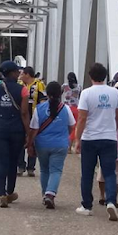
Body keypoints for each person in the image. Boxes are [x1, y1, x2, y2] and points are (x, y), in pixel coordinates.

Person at [75, 63, 118, 221]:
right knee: (109, 172)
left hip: (90, 138)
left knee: (87, 174)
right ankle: (111, 202)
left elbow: (82, 118)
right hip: (109, 137)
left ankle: (87, 206)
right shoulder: (115, 92)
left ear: (90, 76)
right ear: (106, 76)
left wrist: (77, 138)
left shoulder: (86, 93)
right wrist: (112, 130)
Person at [28, 81, 75, 209]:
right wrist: (65, 135)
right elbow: (71, 126)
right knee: (56, 170)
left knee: (44, 169)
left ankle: (45, 194)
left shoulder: (39, 109)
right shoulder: (66, 108)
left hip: (42, 144)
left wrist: (30, 144)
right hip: (60, 144)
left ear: (46, 94)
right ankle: (50, 194)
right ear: (60, 94)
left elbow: (34, 129)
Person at [0, 60, 30, 208]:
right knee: (13, 162)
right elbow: (24, 112)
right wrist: (28, 132)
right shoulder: (23, 90)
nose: (19, 73)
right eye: (17, 71)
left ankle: (1, 194)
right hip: (16, 129)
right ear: (12, 72)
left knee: (2, 161)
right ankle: (9, 191)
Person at [97, 86, 118, 208]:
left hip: (107, 142)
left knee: (103, 170)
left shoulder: (108, 109)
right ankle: (113, 198)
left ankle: (102, 196)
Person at [18, 66, 46, 177]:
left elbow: (43, 100)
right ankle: (20, 165)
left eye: (22, 74)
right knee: (20, 141)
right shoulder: (20, 85)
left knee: (33, 141)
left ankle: (31, 167)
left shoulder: (39, 84)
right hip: (21, 117)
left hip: (34, 117)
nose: (20, 76)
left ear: (27, 74)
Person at [62, 72, 82, 154]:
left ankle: (66, 145)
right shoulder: (79, 87)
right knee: (75, 127)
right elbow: (80, 97)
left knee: (66, 127)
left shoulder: (64, 86)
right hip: (75, 108)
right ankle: (71, 147)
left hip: (66, 108)